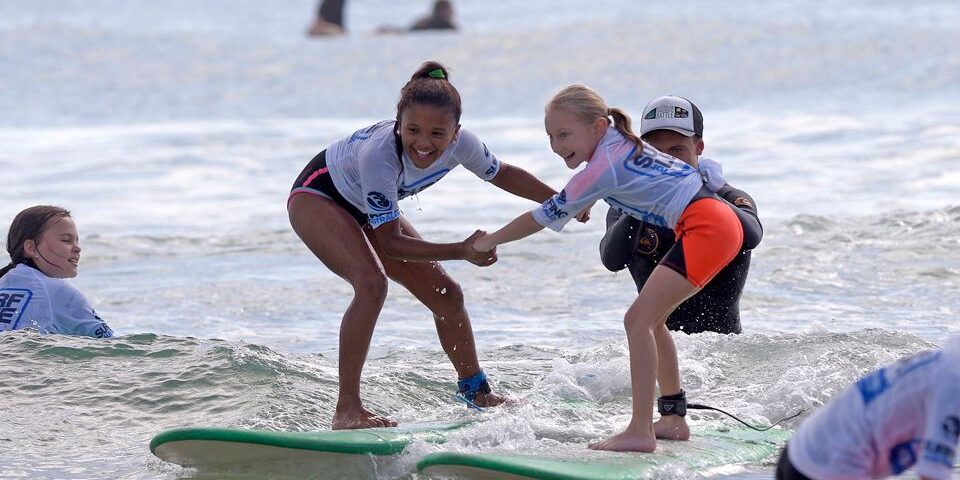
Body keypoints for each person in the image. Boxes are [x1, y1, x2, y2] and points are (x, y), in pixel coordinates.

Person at [287, 61, 584, 430]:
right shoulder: (379, 157)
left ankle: (476, 392)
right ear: (398, 124)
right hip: (319, 197)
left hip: (365, 207)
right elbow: (392, 243)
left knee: (447, 294)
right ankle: (347, 409)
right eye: (412, 130)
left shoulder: (465, 145)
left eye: (436, 133)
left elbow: (502, 173)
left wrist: (560, 199)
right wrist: (461, 249)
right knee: (371, 284)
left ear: (455, 133)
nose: (423, 143)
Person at [472, 84, 746, 452]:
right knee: (653, 321)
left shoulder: (602, 166)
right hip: (713, 223)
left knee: (637, 321)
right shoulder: (618, 141)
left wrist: (489, 241)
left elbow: (539, 217)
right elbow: (629, 182)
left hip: (707, 226)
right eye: (550, 136)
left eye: (564, 134)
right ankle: (672, 419)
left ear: (599, 127)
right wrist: (584, 198)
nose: (555, 145)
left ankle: (639, 432)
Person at [598, 96, 762, 334]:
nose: (667, 162)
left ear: (699, 147)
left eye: (676, 150)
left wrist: (698, 193)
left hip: (725, 351)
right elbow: (612, 260)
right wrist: (642, 204)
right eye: (656, 151)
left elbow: (752, 236)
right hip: (660, 348)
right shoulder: (627, 205)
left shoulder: (726, 197)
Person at [777, 335, 960, 480]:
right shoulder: (953, 381)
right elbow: (932, 474)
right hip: (822, 466)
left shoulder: (947, 360)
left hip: (801, 452)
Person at [0, 205, 113, 338]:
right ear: (31, 248)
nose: (78, 248)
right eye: (66, 240)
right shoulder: (59, 291)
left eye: (77, 241)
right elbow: (109, 343)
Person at [377, 0, 457, 34]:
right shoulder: (441, 24)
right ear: (441, 11)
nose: (452, 12)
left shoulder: (427, 20)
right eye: (449, 9)